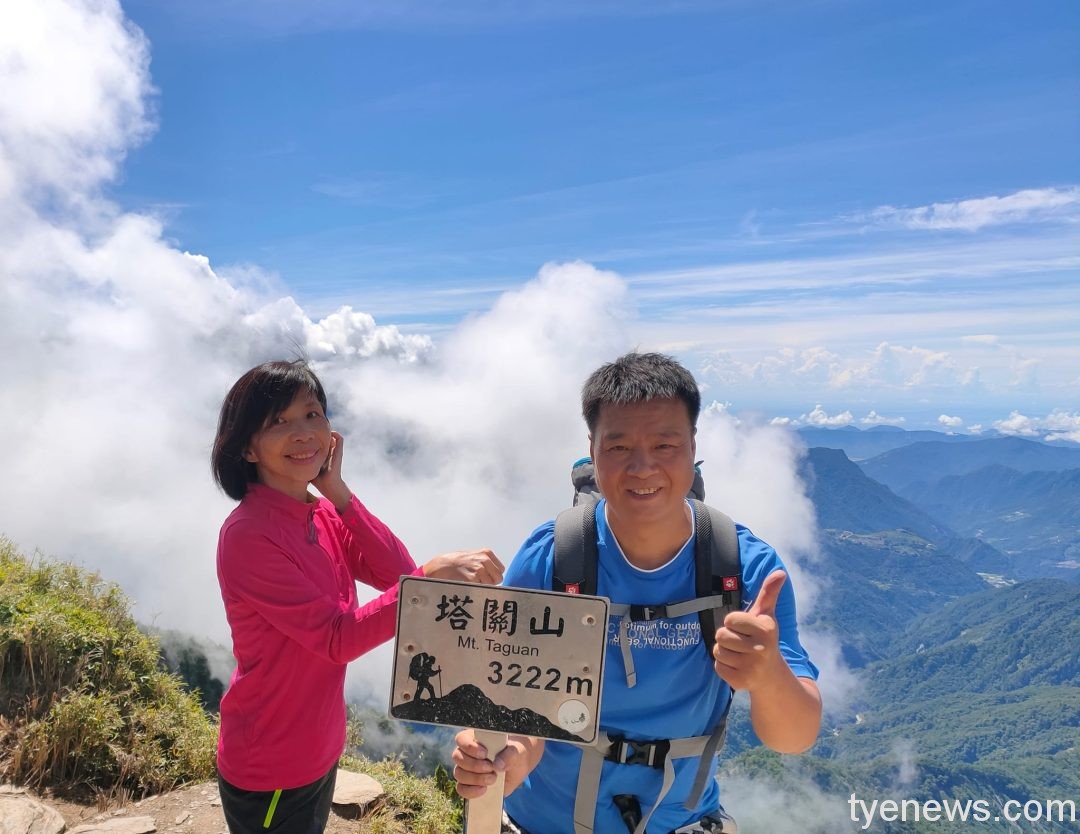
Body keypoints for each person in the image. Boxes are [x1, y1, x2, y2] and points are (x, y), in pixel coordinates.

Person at [452, 352, 821, 834]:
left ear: (692, 446)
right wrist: (508, 760)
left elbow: (794, 737)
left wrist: (769, 675)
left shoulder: (745, 570)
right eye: (620, 447)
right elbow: (518, 702)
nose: (643, 468)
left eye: (665, 445)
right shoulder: (552, 560)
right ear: (593, 448)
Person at [211, 359, 503, 834]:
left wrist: (340, 495)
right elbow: (337, 639)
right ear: (246, 447)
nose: (303, 432)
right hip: (270, 762)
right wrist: (430, 575)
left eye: (312, 414)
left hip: (317, 746)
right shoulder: (247, 535)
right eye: (279, 422)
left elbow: (397, 575)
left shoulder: (319, 512)